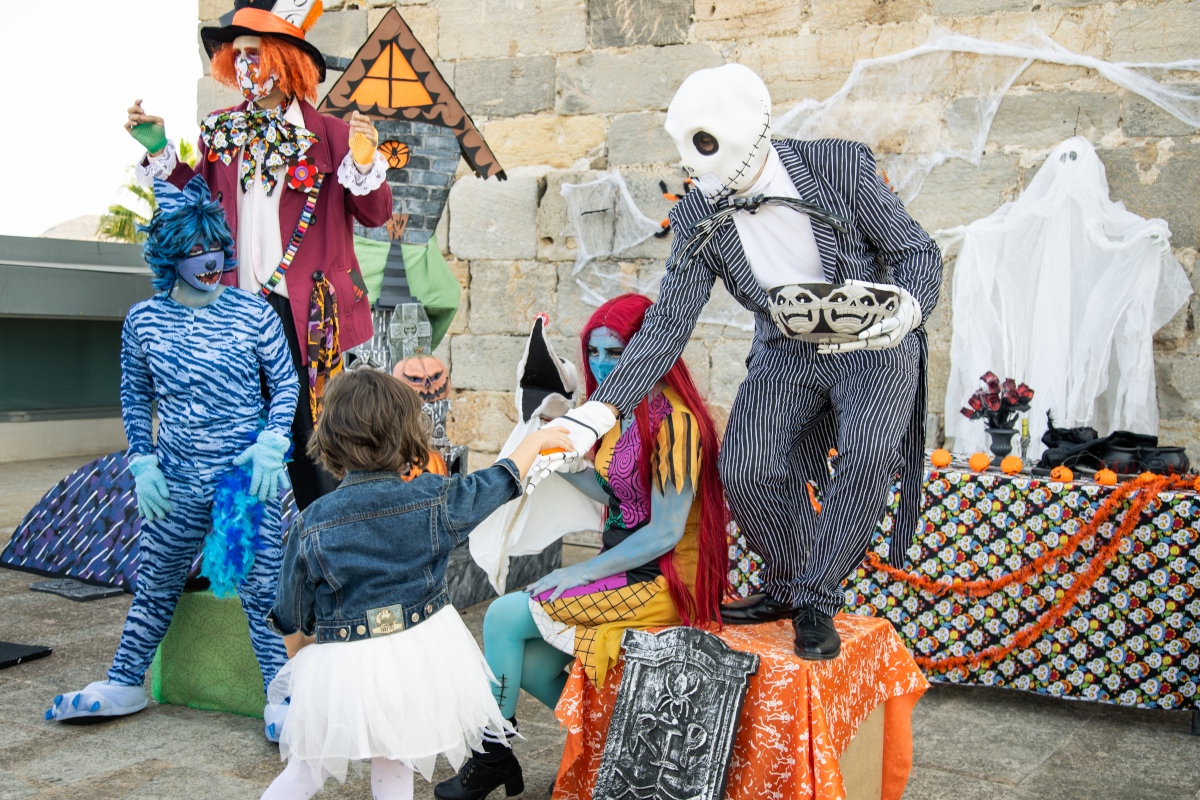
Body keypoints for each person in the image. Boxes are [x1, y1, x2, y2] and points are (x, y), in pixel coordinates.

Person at [527, 64, 943, 661]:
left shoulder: (839, 167)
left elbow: (913, 249)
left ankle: (814, 598)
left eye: (707, 148)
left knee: (867, 457)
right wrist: (600, 410)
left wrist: (906, 306)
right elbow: (670, 320)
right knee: (746, 465)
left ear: (753, 131)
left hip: (874, 340)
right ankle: (791, 583)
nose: (700, 171)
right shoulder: (701, 211)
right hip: (785, 346)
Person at [435, 294, 729, 800]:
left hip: (663, 579)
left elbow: (662, 533)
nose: (601, 364)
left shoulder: (676, 423)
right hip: (629, 568)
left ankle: (492, 757)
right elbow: (615, 495)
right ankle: (607, 747)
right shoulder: (622, 414)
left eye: (616, 352)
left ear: (651, 348)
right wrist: (556, 453)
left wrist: (581, 572)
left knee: (503, 618)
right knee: (528, 662)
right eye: (594, 351)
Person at [45, 175, 299, 740]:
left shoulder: (255, 313)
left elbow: (286, 383)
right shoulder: (143, 321)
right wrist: (142, 461)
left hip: (245, 482)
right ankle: (124, 680)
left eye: (213, 248)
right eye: (191, 252)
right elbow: (135, 395)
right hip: (175, 479)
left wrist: (272, 442)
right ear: (167, 257)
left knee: (262, 590)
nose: (208, 262)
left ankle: (282, 696)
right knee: (156, 580)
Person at [125, 0, 393, 510]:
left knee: (316, 434)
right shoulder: (221, 131)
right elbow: (197, 205)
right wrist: (162, 152)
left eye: (256, 52)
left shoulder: (333, 135)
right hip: (233, 306)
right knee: (235, 426)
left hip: (307, 313)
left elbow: (376, 213)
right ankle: (240, 556)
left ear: (284, 61)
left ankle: (325, 545)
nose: (245, 63)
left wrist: (363, 162)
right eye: (238, 53)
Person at [261, 368, 576, 800]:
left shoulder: (311, 523)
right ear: (406, 433)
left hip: (342, 661)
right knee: (396, 760)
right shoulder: (433, 498)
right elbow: (498, 484)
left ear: (331, 436)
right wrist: (536, 442)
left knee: (306, 771)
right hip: (417, 656)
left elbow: (290, 613)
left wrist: (304, 667)